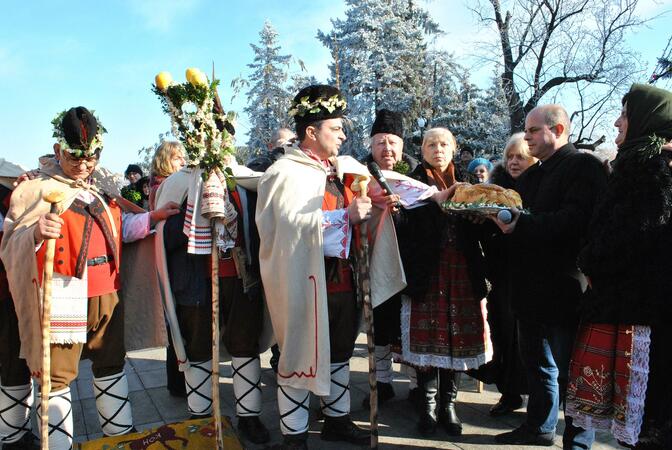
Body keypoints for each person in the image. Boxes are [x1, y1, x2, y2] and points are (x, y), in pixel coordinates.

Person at [256, 85, 447, 449]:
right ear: (311, 132)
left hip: (344, 280)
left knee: (341, 350)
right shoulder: (283, 173)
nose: (344, 134)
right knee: (300, 352)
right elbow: (280, 228)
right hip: (302, 282)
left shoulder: (345, 168)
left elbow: (389, 192)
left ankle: (337, 421)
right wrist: (344, 216)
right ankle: (294, 435)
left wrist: (381, 204)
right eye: (336, 127)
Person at [0, 107, 180, 450]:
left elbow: (121, 229)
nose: (83, 165)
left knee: (111, 365)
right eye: (74, 157)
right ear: (58, 151)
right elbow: (11, 244)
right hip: (63, 293)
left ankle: (119, 439)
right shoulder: (36, 190)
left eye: (91, 157)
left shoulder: (102, 190)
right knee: (58, 377)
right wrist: (36, 233)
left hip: (107, 292)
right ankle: (59, 445)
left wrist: (153, 215)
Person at [492, 104, 607, 448]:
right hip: (528, 289)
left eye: (532, 130)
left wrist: (520, 224)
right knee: (537, 366)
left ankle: (578, 441)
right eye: (525, 130)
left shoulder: (583, 166)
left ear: (557, 130)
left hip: (563, 288)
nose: (525, 137)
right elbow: (517, 215)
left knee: (572, 371)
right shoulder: (534, 174)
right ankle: (539, 426)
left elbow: (574, 221)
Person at [566, 84, 672, 449]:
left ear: (646, 119)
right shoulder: (639, 164)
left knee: (642, 421)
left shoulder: (654, 170)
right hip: (622, 305)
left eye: (625, 115)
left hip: (637, 313)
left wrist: (590, 260)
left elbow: (634, 233)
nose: (616, 122)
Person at [154, 148, 272, 444]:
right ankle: (200, 415)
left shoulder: (244, 181)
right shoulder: (179, 183)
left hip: (240, 280)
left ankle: (249, 415)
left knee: (245, 343)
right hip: (194, 282)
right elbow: (163, 238)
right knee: (198, 347)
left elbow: (260, 231)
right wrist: (196, 214)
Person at [399, 127, 490, 437]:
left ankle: (448, 406)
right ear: (422, 150)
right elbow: (404, 227)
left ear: (454, 149)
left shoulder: (469, 185)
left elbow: (479, 234)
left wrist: (480, 218)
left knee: (455, 341)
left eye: (443, 144)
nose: (437, 149)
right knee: (427, 340)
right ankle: (426, 407)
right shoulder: (410, 184)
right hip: (427, 272)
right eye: (430, 144)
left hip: (461, 272)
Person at [360, 109, 420, 409]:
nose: (387, 149)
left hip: (411, 263)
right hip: (374, 260)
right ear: (372, 145)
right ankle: (381, 382)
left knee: (410, 326)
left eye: (393, 142)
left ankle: (416, 385)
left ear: (402, 146)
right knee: (380, 326)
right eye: (381, 142)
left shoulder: (417, 178)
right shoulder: (360, 176)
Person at [478, 133, 536, 416]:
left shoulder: (539, 187)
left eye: (520, 157)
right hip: (500, 274)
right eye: (510, 156)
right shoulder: (494, 188)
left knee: (526, 340)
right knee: (502, 333)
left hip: (531, 273)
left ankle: (533, 398)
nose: (514, 162)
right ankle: (508, 393)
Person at [0, 178, 39, 449]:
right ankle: (13, 436)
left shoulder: (8, 195)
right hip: (6, 294)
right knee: (13, 363)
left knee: (14, 364)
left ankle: (14, 435)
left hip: (8, 294)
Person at [149, 141, 186, 211]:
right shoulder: (161, 187)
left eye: (183, 158)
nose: (184, 163)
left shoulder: (177, 181)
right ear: (164, 162)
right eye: (177, 158)